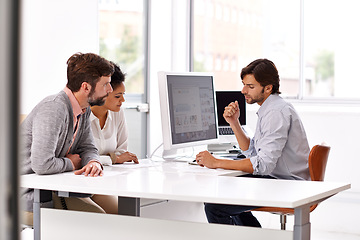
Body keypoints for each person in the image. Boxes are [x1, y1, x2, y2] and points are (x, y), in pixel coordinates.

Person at [195, 58, 310, 227]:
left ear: (268, 88)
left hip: (288, 185)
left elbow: (262, 165)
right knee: (222, 194)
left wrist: (216, 162)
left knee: (215, 206)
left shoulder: (276, 112)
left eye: (250, 86)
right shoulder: (270, 108)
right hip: (277, 179)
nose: (243, 91)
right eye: (244, 84)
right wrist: (234, 123)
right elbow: (254, 152)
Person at [21, 52, 115, 225]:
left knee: (117, 210)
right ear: (86, 87)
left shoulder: (84, 108)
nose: (110, 90)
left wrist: (93, 162)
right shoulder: (54, 108)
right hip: (28, 194)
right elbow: (42, 164)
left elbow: (88, 148)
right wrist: (72, 163)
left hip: (56, 186)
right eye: (106, 84)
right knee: (100, 222)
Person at [90, 62, 138, 166]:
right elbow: (80, 159)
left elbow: (122, 151)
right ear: (103, 92)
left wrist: (113, 158)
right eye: (117, 96)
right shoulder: (82, 115)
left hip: (111, 174)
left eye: (123, 94)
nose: (123, 100)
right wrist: (113, 158)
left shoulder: (118, 112)